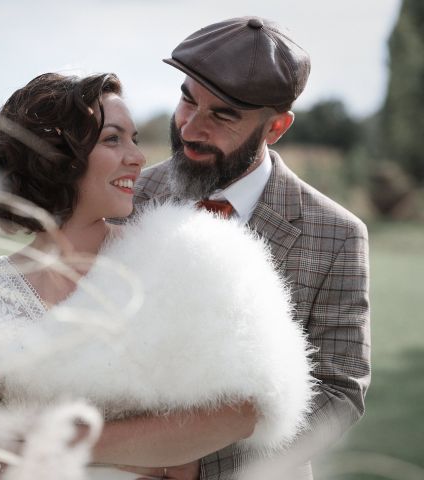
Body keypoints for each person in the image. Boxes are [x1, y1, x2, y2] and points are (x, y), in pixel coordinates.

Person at [0, 71, 314, 480]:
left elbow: (245, 409)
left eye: (133, 138)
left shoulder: (182, 257)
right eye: (113, 139)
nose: (138, 156)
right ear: (56, 156)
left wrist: (65, 443)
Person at [130, 16, 371, 479]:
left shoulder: (338, 235)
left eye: (223, 114)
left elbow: (339, 391)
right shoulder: (127, 199)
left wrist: (196, 464)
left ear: (276, 127)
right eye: (187, 99)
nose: (191, 129)